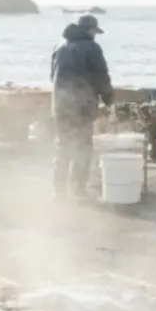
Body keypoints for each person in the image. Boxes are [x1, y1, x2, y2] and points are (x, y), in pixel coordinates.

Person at [51, 14, 114, 200]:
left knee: (63, 147)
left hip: (60, 104)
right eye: (95, 31)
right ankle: (78, 190)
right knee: (83, 147)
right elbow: (101, 76)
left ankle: (58, 191)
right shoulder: (92, 48)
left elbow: (52, 76)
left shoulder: (59, 47)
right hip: (81, 106)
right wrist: (108, 99)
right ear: (90, 30)